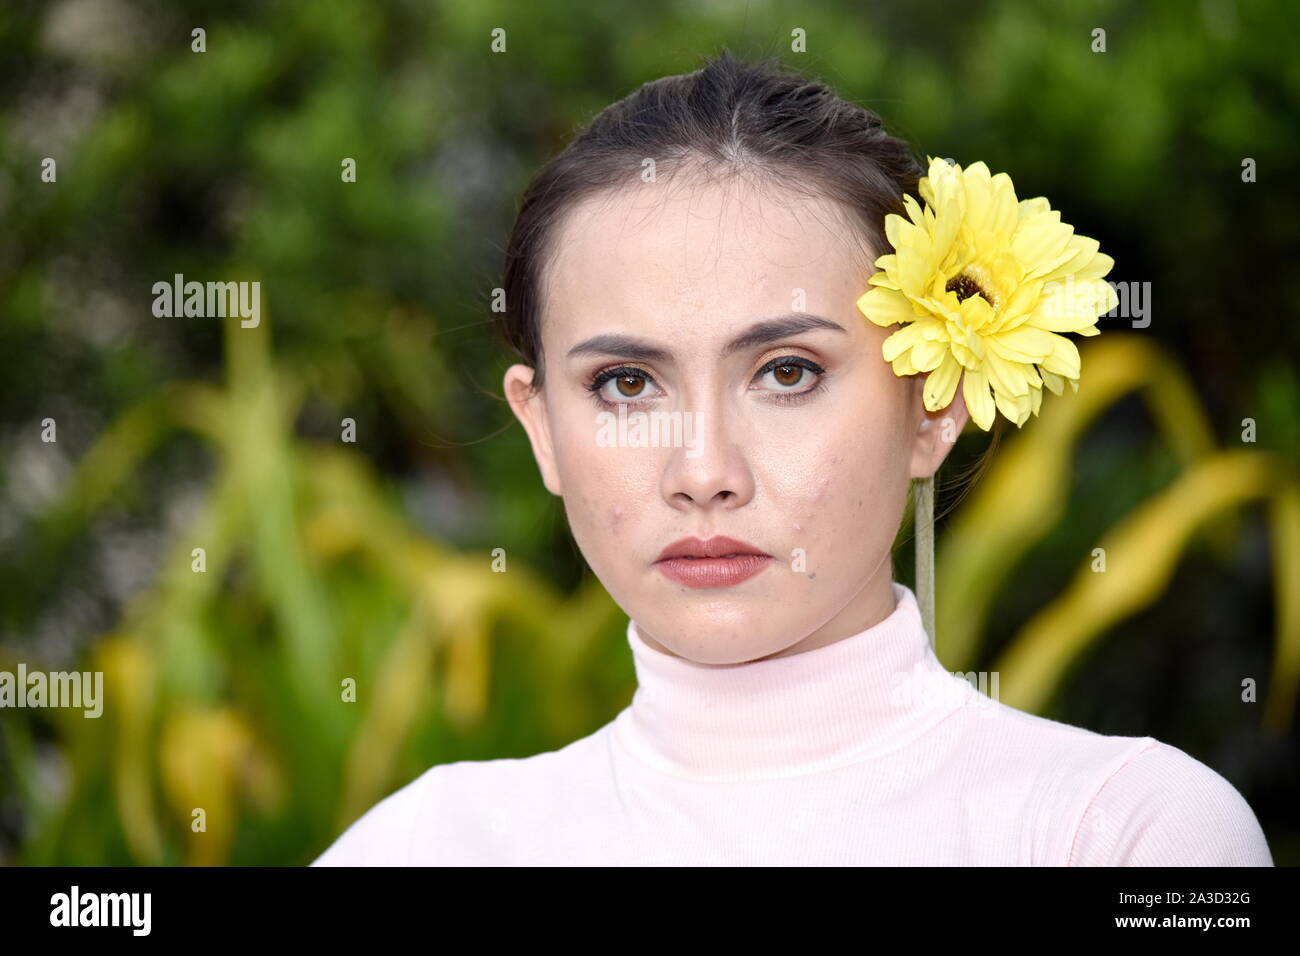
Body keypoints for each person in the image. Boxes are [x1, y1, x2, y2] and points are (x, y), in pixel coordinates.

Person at [312, 49, 1272, 866]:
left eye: (785, 371)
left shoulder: (1121, 834)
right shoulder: (432, 846)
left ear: (932, 403)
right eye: (626, 384)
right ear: (542, 428)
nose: (702, 470)